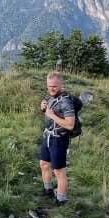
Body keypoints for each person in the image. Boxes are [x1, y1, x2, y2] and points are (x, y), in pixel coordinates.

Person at [38, 71, 75, 206]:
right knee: (44, 164)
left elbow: (70, 125)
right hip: (47, 136)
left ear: (61, 85)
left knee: (59, 171)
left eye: (54, 86)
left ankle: (61, 200)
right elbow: (48, 111)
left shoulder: (66, 102)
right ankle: (47, 190)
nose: (51, 89)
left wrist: (51, 115)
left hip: (59, 139)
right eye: (49, 86)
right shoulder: (50, 96)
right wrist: (43, 108)